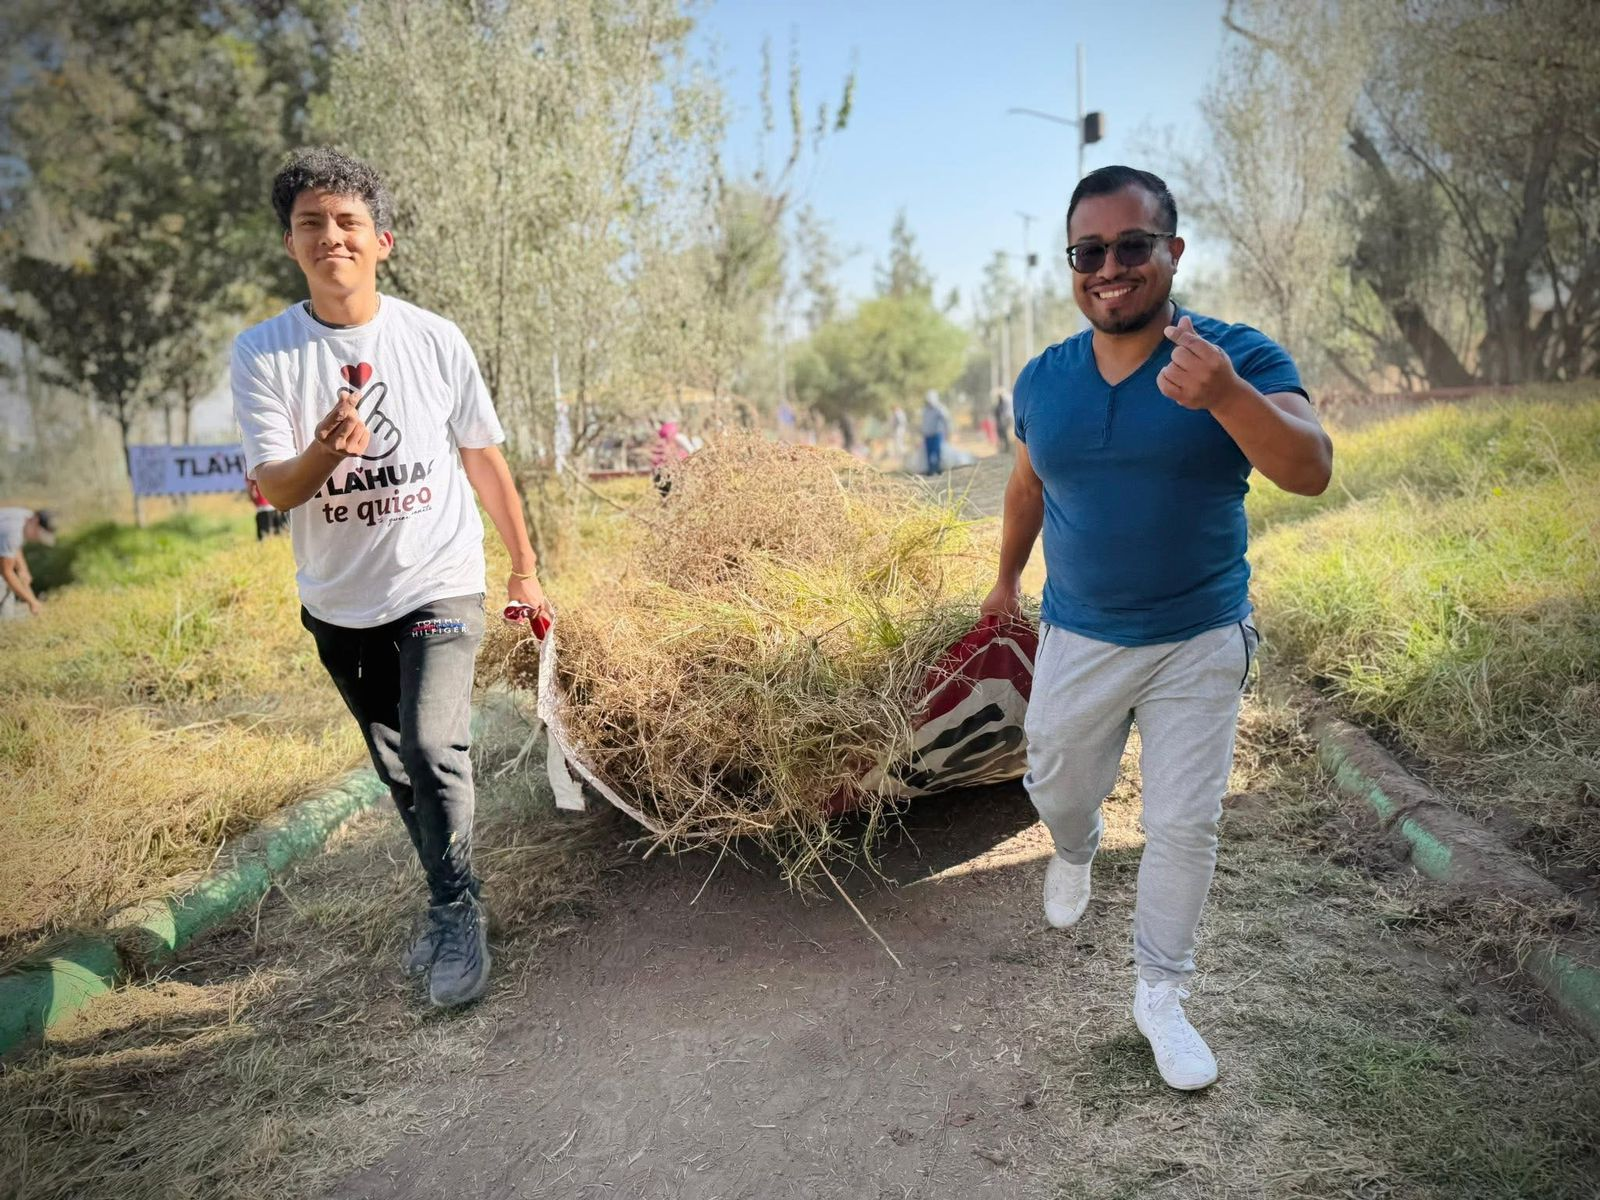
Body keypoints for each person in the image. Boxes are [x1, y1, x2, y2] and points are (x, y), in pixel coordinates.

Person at [980, 165, 1332, 1091]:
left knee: (1183, 822)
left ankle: (1161, 996)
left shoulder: (1235, 356)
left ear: (1172, 252)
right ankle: (1076, 845)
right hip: (1081, 633)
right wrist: (1005, 581)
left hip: (1199, 635)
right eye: (1088, 252)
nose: (1110, 268)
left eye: (1132, 245)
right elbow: (1027, 487)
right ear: (1072, 264)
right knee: (1056, 780)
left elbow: (1311, 470)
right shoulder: (1044, 379)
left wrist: (1226, 396)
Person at [231, 148, 551, 1009]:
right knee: (397, 765)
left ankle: (455, 913)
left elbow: (483, 460)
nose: (330, 236)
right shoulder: (264, 353)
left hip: (438, 576)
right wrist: (324, 451)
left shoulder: (434, 339)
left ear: (382, 242)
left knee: (431, 745)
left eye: (349, 222)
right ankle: (453, 893)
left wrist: (524, 569)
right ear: (290, 244)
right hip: (339, 599)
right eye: (311, 223)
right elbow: (279, 489)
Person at [0, 507, 55, 620]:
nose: (36, 539)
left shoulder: (26, 517)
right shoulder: (13, 531)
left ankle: (5, 623)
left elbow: (13, 547)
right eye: (38, 534)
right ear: (35, 521)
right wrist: (32, 602)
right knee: (3, 586)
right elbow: (7, 572)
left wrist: (22, 569)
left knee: (10, 589)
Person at [920, 389, 951, 475]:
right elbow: (924, 422)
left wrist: (948, 432)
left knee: (937, 452)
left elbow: (946, 420)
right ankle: (930, 469)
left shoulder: (940, 409)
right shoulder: (925, 410)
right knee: (928, 453)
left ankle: (938, 468)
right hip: (927, 435)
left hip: (936, 434)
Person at [994, 389, 1014, 454]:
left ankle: (1006, 448)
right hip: (1005, 420)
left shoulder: (1002, 404)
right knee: (1005, 435)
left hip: (1003, 421)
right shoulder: (1005, 402)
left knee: (1004, 435)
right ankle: (1006, 448)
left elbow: (1001, 414)